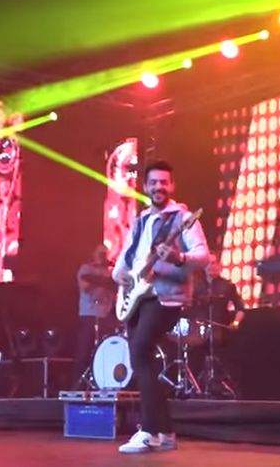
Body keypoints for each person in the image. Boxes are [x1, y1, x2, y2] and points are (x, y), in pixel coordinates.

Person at [112, 160, 209, 454]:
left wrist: (179, 258)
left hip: (166, 297)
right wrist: (119, 275)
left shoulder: (183, 218)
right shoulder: (141, 220)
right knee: (142, 361)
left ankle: (150, 431)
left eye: (164, 182)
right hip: (137, 296)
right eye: (154, 182)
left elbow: (203, 256)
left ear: (172, 186)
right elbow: (126, 256)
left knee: (141, 352)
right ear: (145, 186)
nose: (159, 187)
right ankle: (165, 432)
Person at [71, 244, 117, 388]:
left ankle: (104, 382)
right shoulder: (86, 269)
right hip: (89, 314)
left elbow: (115, 290)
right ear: (94, 254)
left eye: (105, 254)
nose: (103, 256)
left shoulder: (110, 272)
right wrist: (99, 279)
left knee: (106, 350)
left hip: (106, 316)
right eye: (100, 253)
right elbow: (84, 286)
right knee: (84, 350)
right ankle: (78, 384)